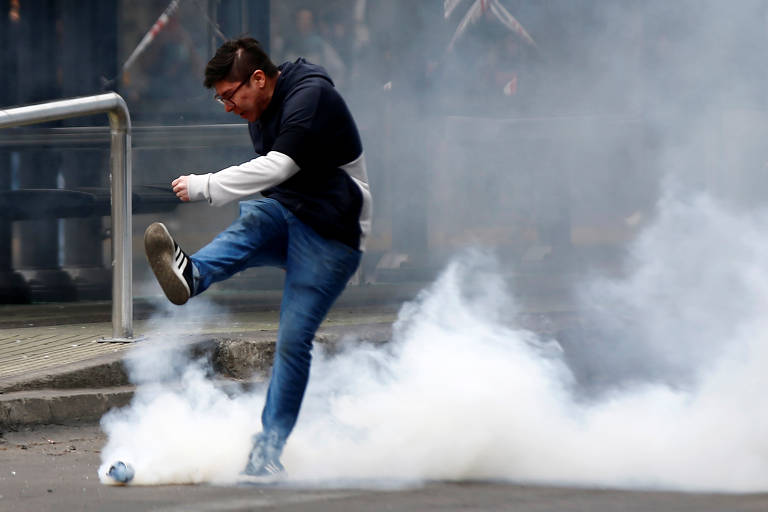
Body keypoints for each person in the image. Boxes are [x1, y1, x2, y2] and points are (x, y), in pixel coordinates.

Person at [143, 37, 372, 477]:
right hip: (289, 216)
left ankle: (268, 450)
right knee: (256, 218)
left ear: (260, 79)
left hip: (333, 235)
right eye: (221, 100)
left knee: (292, 341)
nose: (228, 107)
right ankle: (192, 275)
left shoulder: (310, 96)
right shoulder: (260, 111)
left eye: (230, 96)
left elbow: (278, 167)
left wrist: (204, 185)